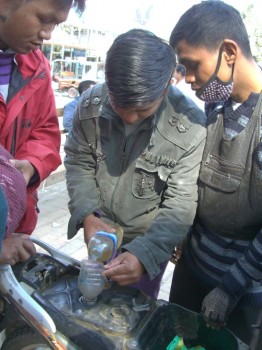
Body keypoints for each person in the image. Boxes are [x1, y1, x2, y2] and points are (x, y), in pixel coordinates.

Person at [64, 28, 206, 299]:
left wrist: (146, 254)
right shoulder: (90, 105)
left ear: (166, 88)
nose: (129, 118)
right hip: (99, 230)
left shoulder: (190, 127)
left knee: (134, 313)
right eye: (119, 106)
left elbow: (180, 204)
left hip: (149, 239)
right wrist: (87, 215)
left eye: (142, 110)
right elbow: (78, 161)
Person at [169, 1, 262, 347]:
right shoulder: (214, 107)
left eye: (193, 66)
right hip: (192, 271)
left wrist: (231, 286)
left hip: (240, 293)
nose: (188, 79)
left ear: (229, 52)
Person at [0, 0, 86, 235]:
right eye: (43, 18)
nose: (46, 34)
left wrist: (31, 165)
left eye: (55, 24)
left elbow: (45, 131)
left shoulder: (39, 67)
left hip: (16, 224)